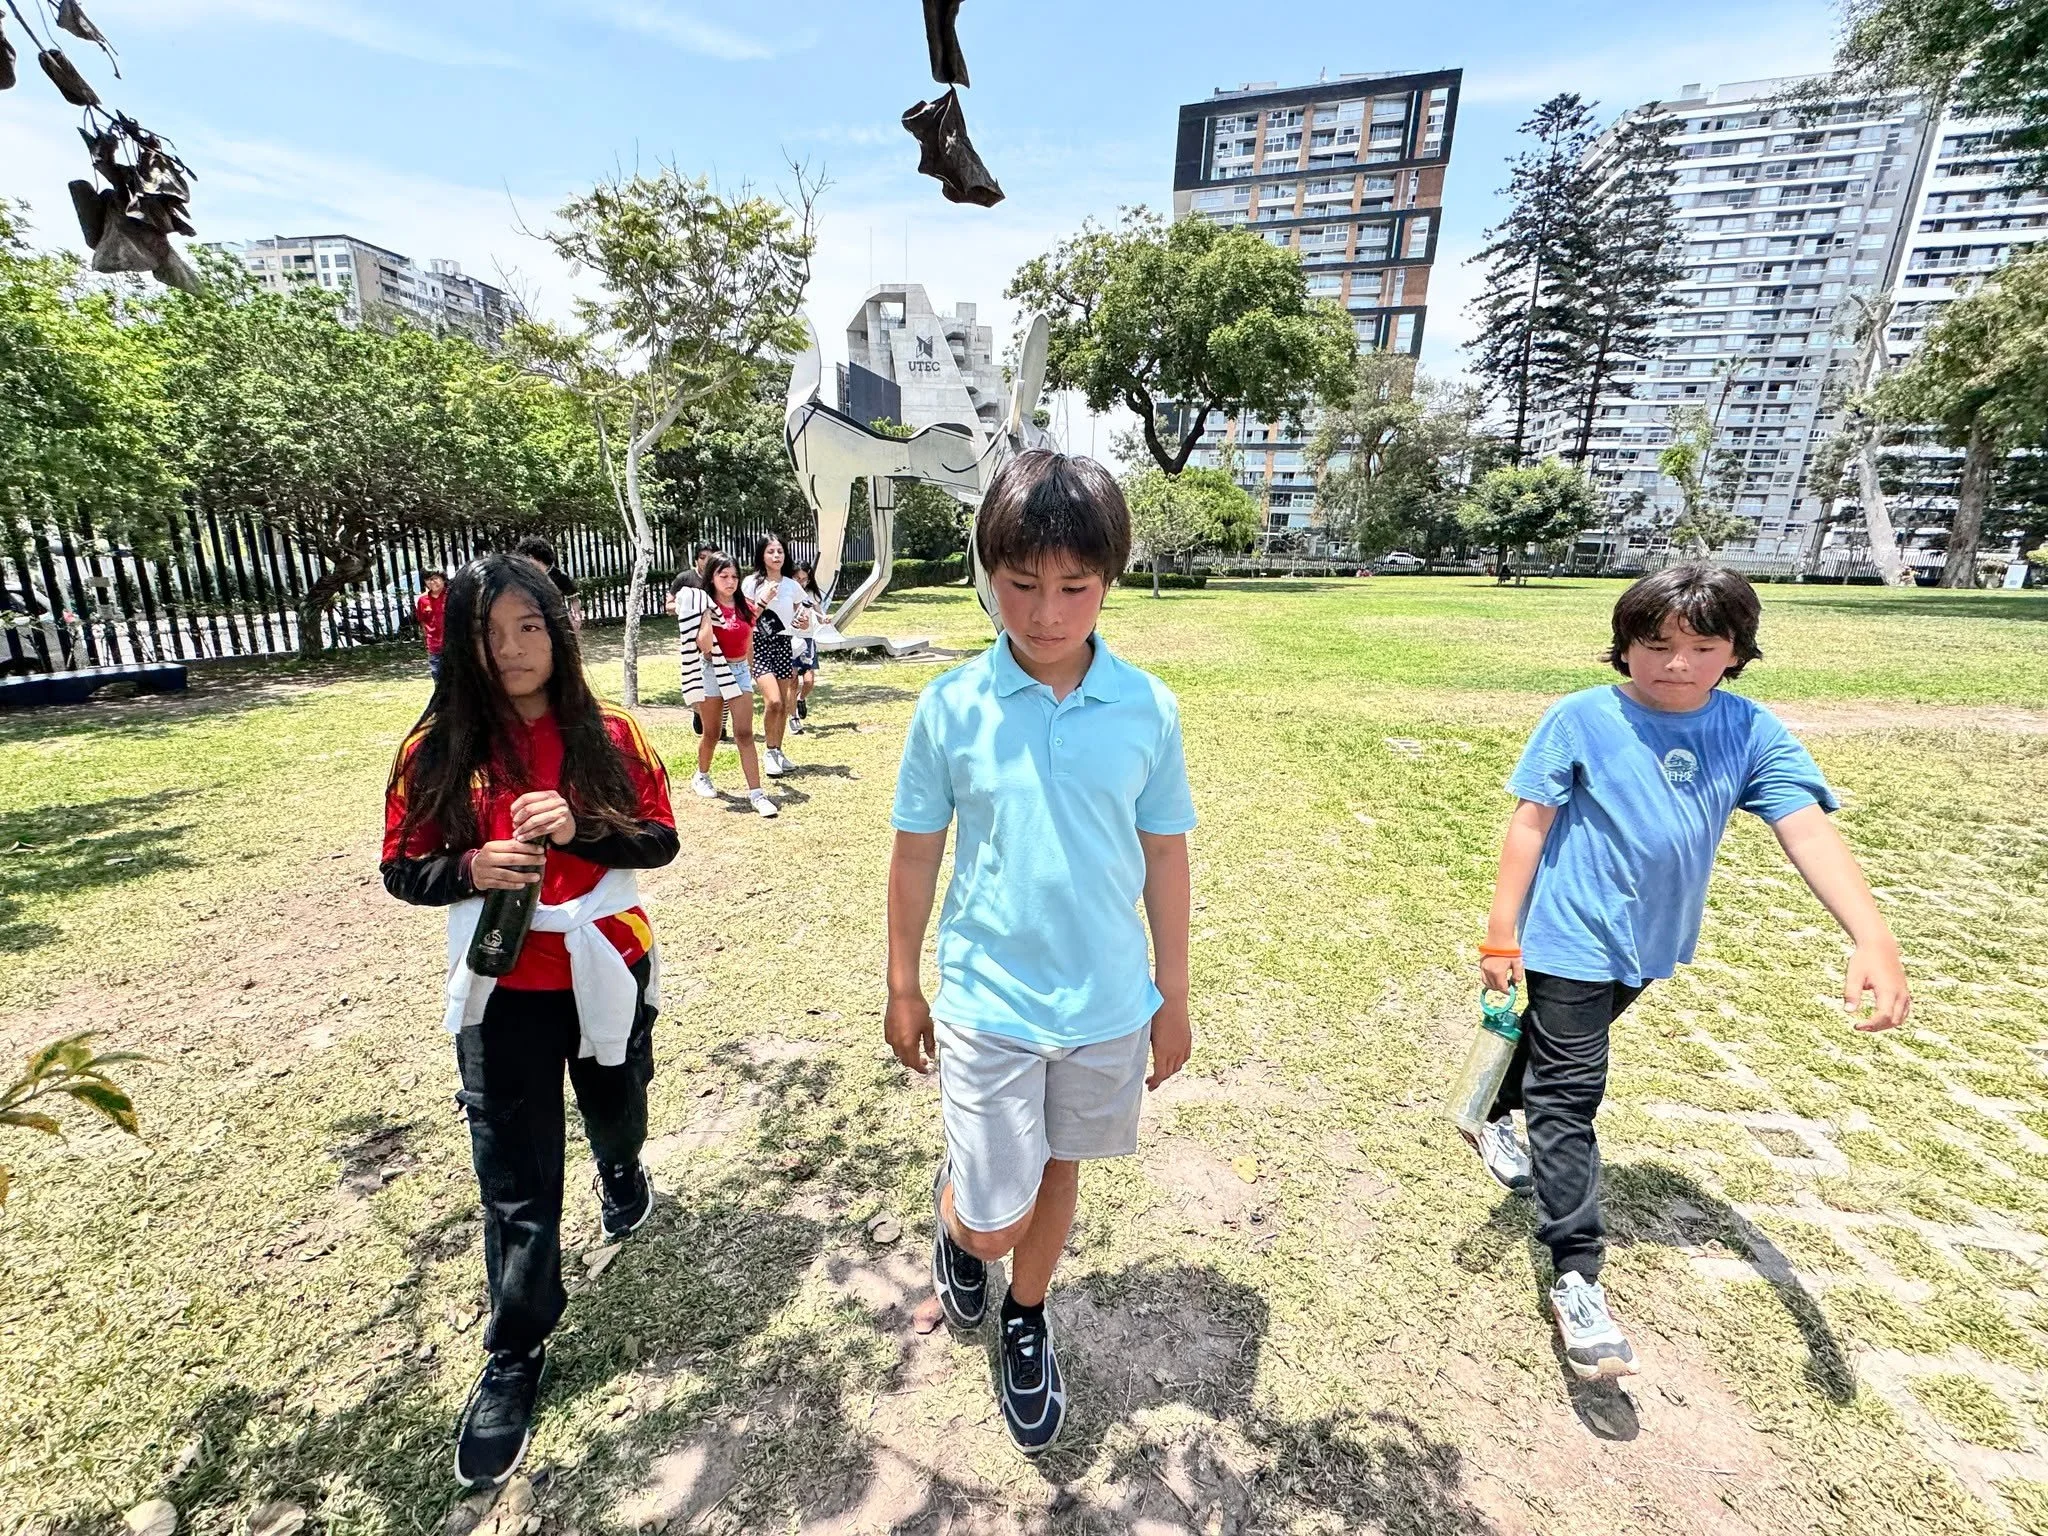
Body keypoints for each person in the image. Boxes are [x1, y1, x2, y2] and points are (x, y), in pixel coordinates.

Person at [1473, 564, 1911, 1381]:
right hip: (1570, 936)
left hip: (1651, 941)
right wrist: (1502, 936)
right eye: (1655, 643)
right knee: (1569, 1096)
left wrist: (1871, 934)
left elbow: (1806, 829)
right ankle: (1579, 1276)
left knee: (1559, 1045)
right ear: (1624, 645)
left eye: (1703, 647)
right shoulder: (1581, 717)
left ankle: (1487, 1109)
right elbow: (1531, 822)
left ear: (1736, 652)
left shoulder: (1749, 731)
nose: (1676, 663)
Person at [886, 450, 1196, 1456]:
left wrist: (1172, 994)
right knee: (993, 1218)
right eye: (1021, 584)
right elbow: (916, 850)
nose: (1046, 613)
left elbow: (1164, 855)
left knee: (1061, 1169)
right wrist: (902, 983)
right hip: (987, 999)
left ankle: (1026, 1315)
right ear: (988, 574)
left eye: (1073, 587)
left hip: (1104, 1003)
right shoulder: (950, 707)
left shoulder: (1146, 708)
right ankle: (961, 1222)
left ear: (1108, 581)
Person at [379, 554, 678, 1489]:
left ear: (559, 631)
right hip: (501, 987)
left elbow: (660, 839)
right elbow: (401, 868)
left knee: (618, 1104)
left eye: (529, 627)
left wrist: (584, 826)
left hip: (608, 964)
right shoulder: (435, 750)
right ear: (459, 645)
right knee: (514, 1175)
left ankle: (622, 1165)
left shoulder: (610, 733)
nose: (511, 650)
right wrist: (467, 869)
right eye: (488, 633)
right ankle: (516, 1350)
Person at [699, 554, 778, 819]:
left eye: (734, 576)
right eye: (723, 576)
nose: (730, 582)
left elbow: (749, 631)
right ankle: (702, 775)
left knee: (744, 733)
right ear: (712, 577)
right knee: (712, 733)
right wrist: (706, 613)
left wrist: (753, 669)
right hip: (712, 670)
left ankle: (757, 794)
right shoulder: (704, 607)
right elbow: (704, 646)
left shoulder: (745, 606)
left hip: (739, 670)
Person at [742, 535, 802, 777]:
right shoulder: (751, 583)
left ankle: (778, 750)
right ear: (761, 555)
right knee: (773, 701)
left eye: (780, 551)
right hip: (760, 644)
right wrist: (763, 599)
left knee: (784, 704)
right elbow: (746, 618)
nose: (776, 556)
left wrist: (803, 619)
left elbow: (802, 610)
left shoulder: (791, 585)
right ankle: (769, 752)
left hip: (784, 644)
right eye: (770, 551)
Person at [788, 560, 826, 732]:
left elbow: (819, 615)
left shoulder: (811, 594)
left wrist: (824, 618)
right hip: (790, 638)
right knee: (792, 680)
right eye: (798, 578)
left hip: (807, 640)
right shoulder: (787, 592)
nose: (801, 582)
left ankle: (800, 699)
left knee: (809, 681)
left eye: (805, 579)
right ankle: (793, 717)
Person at [514, 535, 582, 630]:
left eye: (527, 558)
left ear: (536, 557)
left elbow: (573, 598)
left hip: (557, 622)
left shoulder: (559, 576)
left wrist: (576, 616)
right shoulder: (523, 577)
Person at [416, 569, 449, 682]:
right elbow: (423, 623)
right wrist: (427, 642)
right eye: (428, 579)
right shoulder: (422, 600)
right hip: (435, 646)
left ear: (443, 579)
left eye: (435, 578)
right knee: (437, 675)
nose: (432, 582)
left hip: (453, 643)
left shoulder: (452, 596)